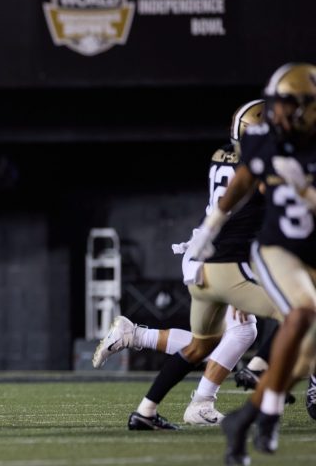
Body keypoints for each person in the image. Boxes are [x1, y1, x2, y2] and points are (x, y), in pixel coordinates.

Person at [112, 99, 285, 432]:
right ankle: (256, 375)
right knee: (292, 314)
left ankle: (145, 411)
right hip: (228, 261)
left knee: (202, 345)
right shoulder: (263, 165)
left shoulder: (223, 155)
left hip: (203, 255)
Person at [186, 62, 316, 464]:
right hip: (279, 250)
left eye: (287, 104)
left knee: (306, 355)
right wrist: (211, 226)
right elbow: (243, 178)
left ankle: (244, 418)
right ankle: (270, 412)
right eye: (276, 103)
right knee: (302, 312)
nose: (278, 112)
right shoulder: (264, 136)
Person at [94, 306, 257, 425]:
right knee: (242, 331)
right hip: (218, 266)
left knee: (213, 344)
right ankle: (201, 403)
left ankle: (134, 335)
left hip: (213, 265)